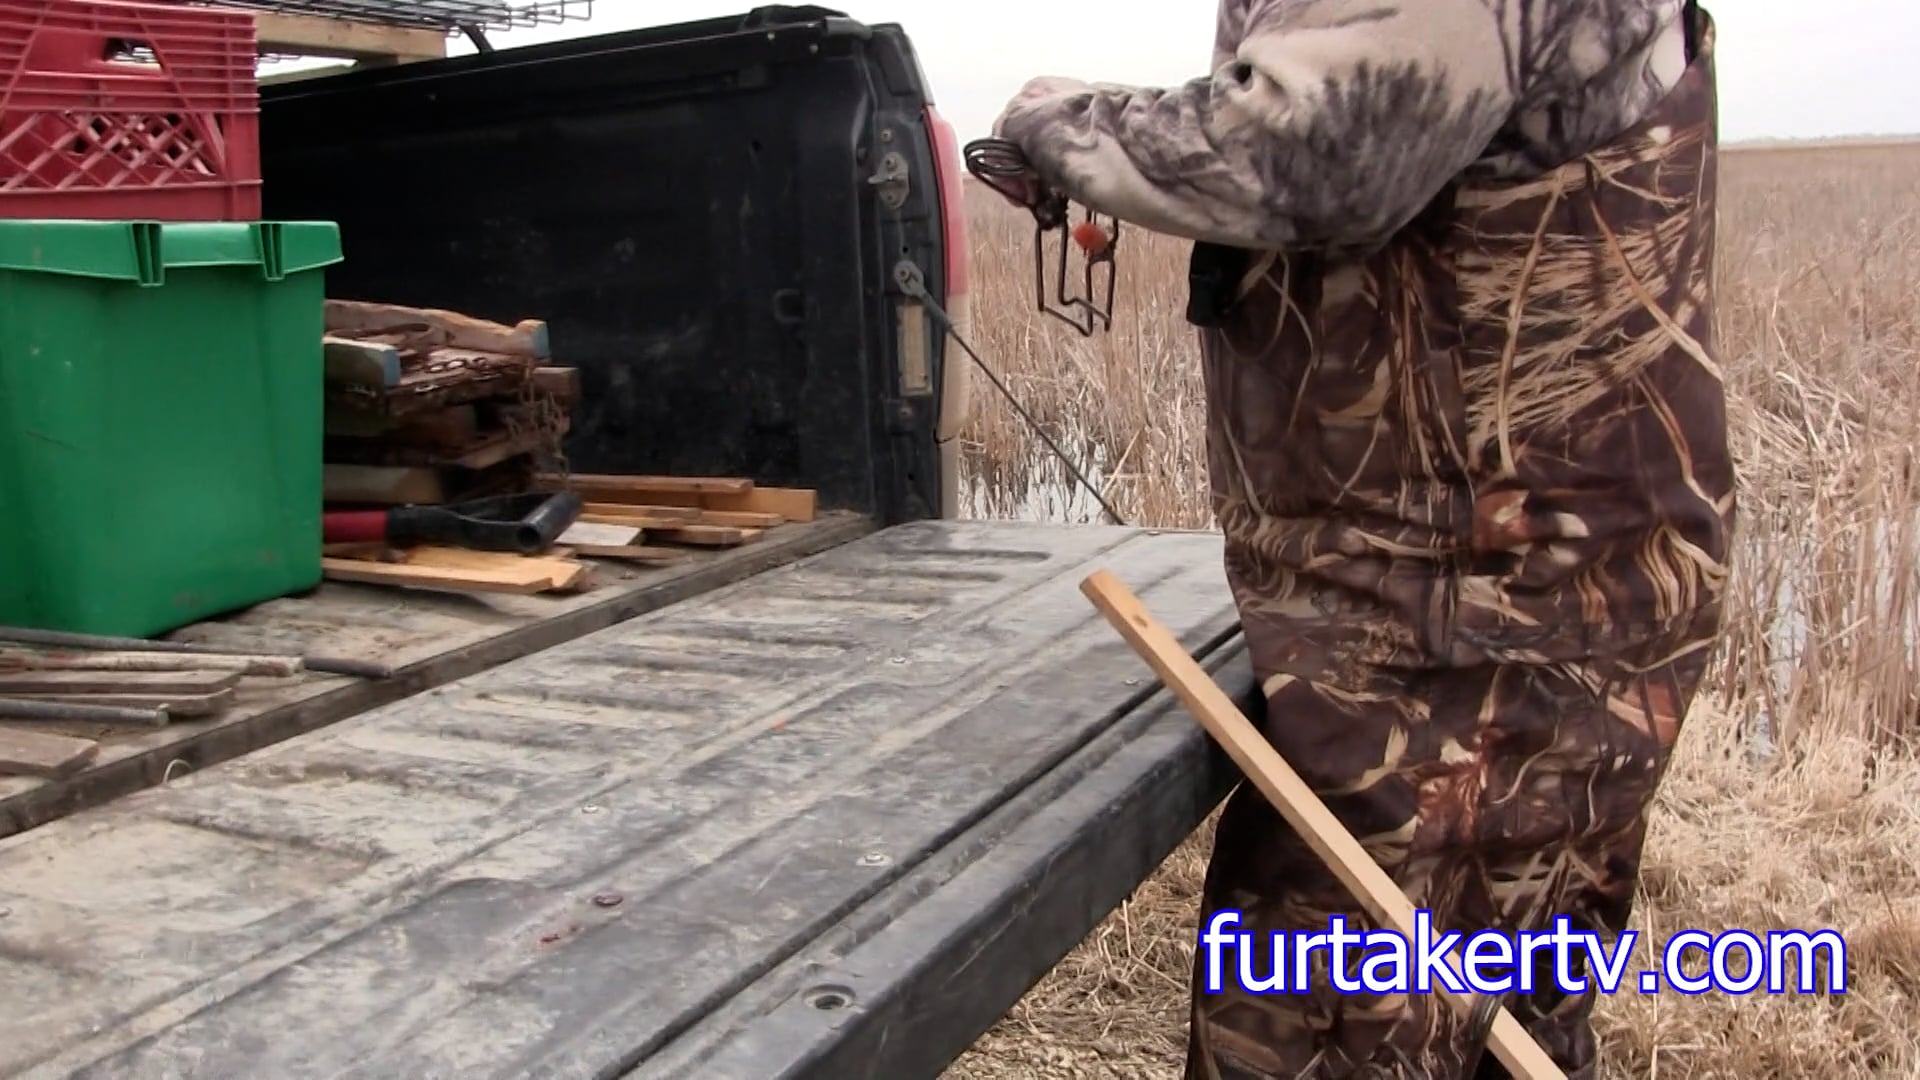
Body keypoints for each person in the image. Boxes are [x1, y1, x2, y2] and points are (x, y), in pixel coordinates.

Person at [985, 1, 1732, 1077]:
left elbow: (1319, 144)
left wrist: (1056, 118)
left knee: (1328, 1023)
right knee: (1500, 1012)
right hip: (1513, 589)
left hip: (1476, 617)